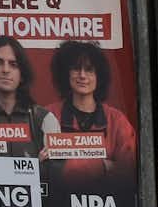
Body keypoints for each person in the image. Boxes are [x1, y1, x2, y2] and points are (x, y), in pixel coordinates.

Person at [46, 40, 139, 184]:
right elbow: (41, 168)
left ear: (99, 76)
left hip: (107, 203)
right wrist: (103, 165)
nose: (82, 75)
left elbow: (129, 172)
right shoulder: (48, 115)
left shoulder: (117, 120)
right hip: (59, 201)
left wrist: (68, 165)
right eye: (76, 68)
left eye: (89, 69)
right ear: (66, 73)